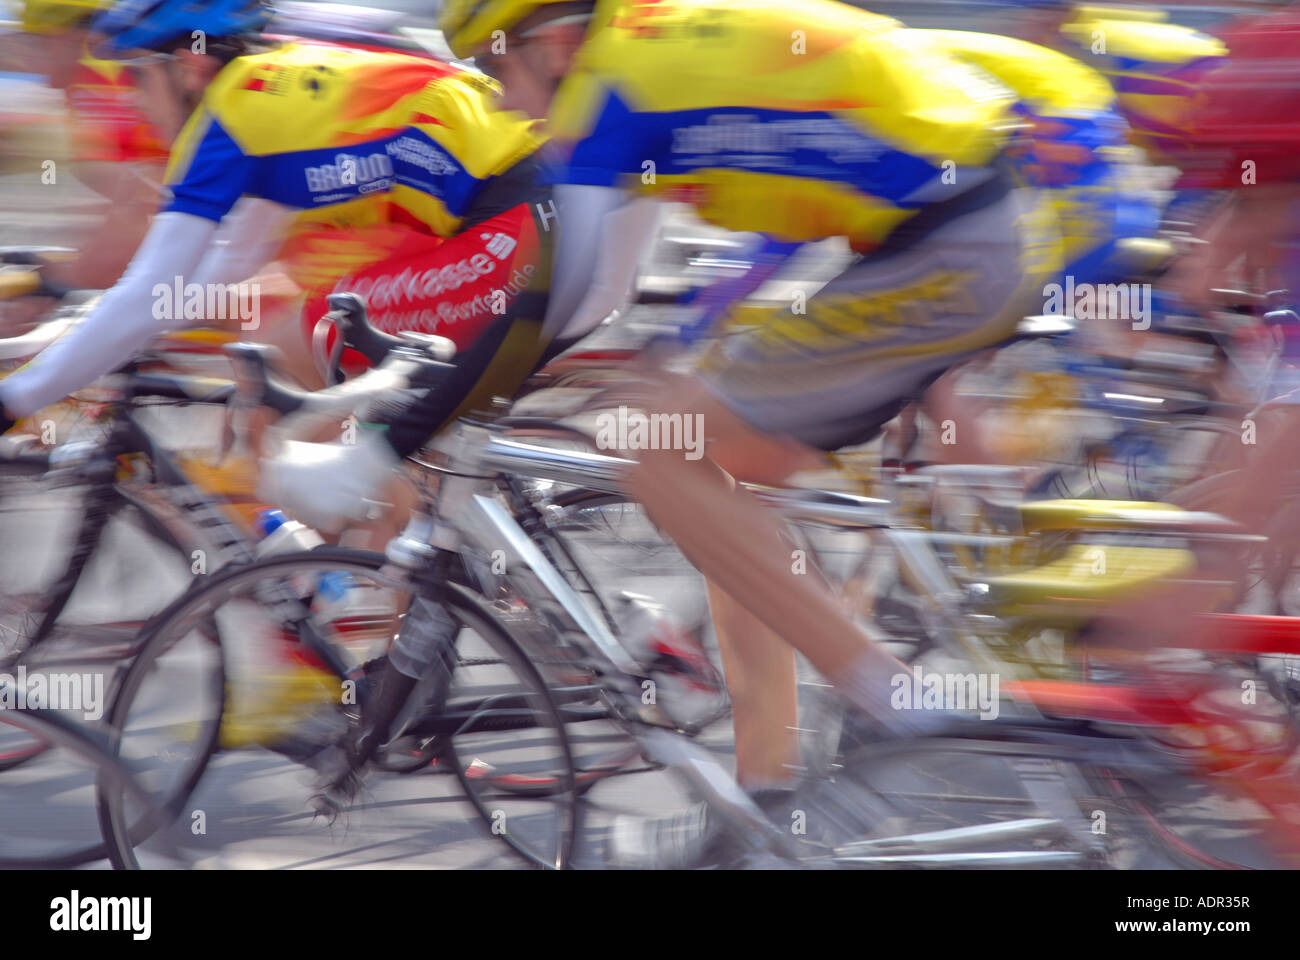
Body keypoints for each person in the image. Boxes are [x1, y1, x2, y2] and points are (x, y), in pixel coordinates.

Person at [436, 0, 1061, 865]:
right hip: (966, 226)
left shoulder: (610, 86)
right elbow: (602, 288)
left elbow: (564, 287)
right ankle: (767, 791)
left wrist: (432, 389)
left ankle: (888, 695)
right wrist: (646, 348)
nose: (500, 101)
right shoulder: (638, 61)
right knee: (710, 484)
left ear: (552, 43)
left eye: (495, 71)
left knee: (652, 449)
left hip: (952, 245)